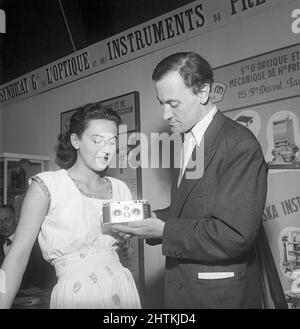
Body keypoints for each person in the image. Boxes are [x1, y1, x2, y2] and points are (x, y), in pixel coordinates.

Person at [113, 52, 269, 309]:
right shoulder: (187, 139)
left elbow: (234, 235)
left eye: (173, 103)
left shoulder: (239, 144)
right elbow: (190, 211)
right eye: (161, 102)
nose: (165, 114)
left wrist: (163, 231)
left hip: (219, 297)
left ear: (204, 92)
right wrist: (143, 219)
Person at [0, 103, 141, 309]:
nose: (106, 149)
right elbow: (16, 257)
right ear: (76, 140)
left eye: (112, 142)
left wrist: (126, 240)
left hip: (121, 287)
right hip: (76, 294)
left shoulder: (120, 189)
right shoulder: (48, 186)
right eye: (97, 140)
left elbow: (126, 254)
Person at [0, 204, 55, 290]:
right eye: (0, 221)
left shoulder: (34, 240)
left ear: (16, 219)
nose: (3, 225)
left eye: (6, 219)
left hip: (37, 295)